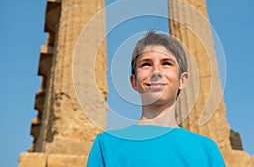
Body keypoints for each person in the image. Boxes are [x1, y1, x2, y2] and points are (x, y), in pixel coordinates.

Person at [87, 31, 226, 166]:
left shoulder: (207, 150)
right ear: (134, 81)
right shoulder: (106, 145)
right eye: (146, 64)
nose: (156, 72)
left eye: (166, 63)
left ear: (182, 80)